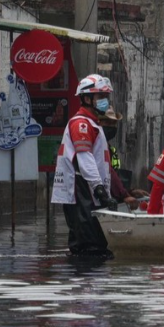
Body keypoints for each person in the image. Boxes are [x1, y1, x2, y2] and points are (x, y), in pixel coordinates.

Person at [50, 74, 117, 256]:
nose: (105, 101)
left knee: (91, 243)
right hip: (82, 188)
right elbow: (84, 158)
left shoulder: (92, 124)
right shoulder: (81, 124)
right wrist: (100, 190)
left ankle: (85, 277)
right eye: (100, 97)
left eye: (106, 97)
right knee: (90, 245)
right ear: (87, 99)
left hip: (87, 189)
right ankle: (85, 279)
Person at [101, 108, 148, 211]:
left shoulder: (108, 147)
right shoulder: (98, 147)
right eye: (107, 122)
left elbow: (114, 175)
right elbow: (109, 173)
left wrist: (130, 192)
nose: (111, 127)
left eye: (114, 123)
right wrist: (124, 195)